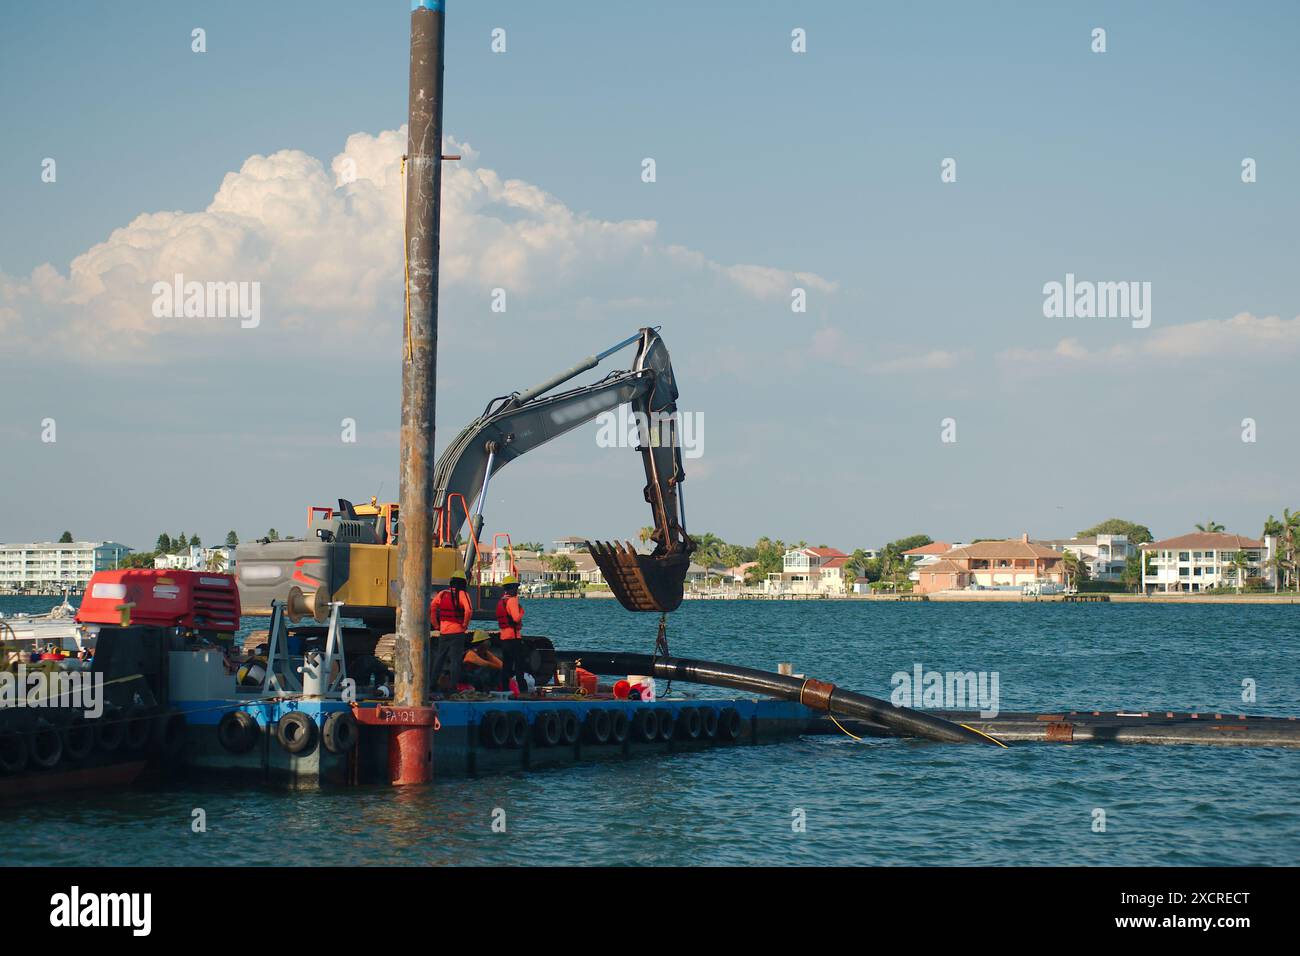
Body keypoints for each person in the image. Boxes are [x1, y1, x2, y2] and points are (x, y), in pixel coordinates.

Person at [429, 571, 473, 694]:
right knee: (455, 661)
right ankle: (452, 688)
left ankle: (432, 684)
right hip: (457, 632)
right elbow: (468, 610)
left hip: (444, 632)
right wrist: (465, 624)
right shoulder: (463, 594)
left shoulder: (442, 594)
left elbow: (432, 607)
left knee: (439, 659)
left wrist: (436, 624)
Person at [495, 575, 529, 696]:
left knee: (507, 665)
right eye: (516, 587)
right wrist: (522, 611)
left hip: (504, 638)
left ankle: (505, 690)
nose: (517, 590)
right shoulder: (512, 600)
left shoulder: (501, 601)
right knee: (520, 664)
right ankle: (523, 690)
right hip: (514, 638)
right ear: (512, 588)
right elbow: (516, 618)